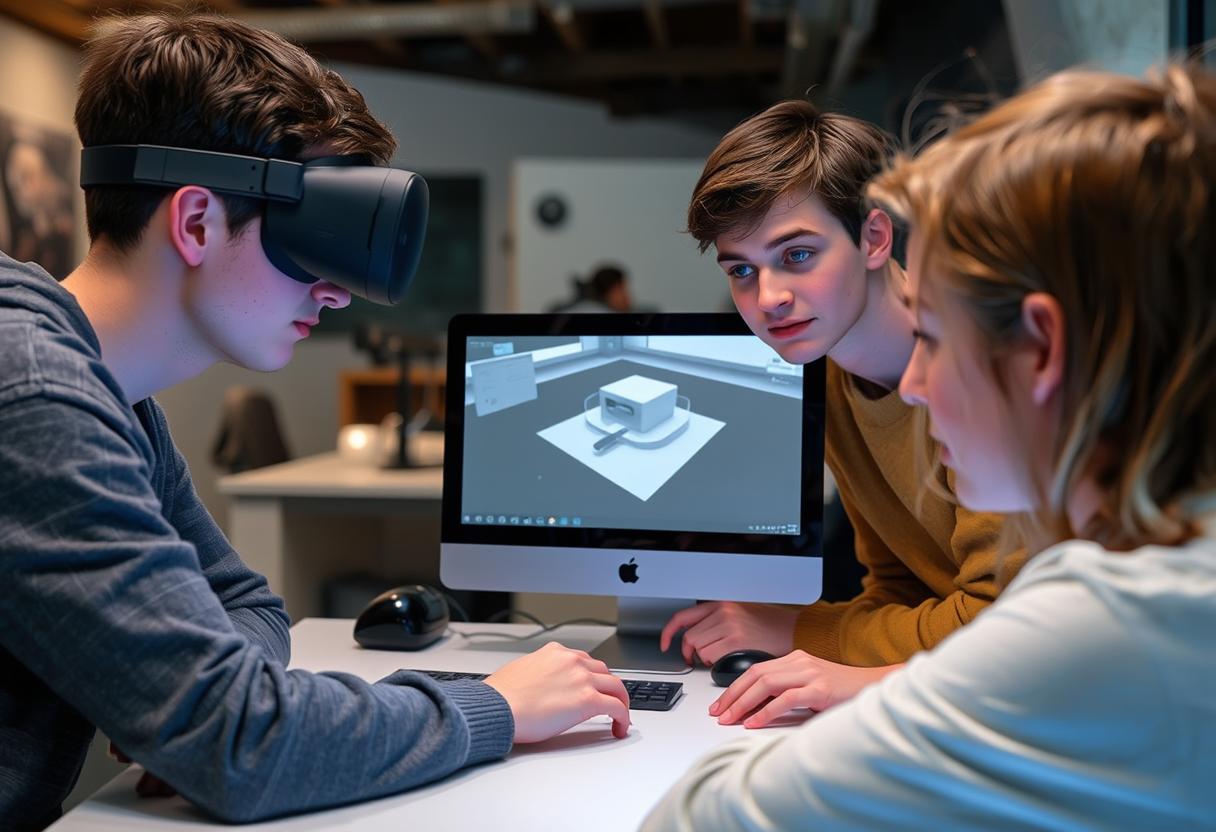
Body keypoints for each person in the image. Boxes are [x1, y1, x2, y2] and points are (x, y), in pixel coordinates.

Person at [0, 14, 629, 831]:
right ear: (195, 223)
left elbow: (247, 605)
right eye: (310, 246)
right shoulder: (37, 391)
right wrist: (493, 707)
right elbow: (241, 745)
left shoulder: (113, 397)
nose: (335, 292)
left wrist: (197, 691)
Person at [643, 62, 1216, 828]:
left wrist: (832, 653)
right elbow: (901, 589)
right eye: (743, 270)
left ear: (1043, 346)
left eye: (938, 335)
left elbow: (703, 816)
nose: (915, 381)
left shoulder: (1108, 615)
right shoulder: (1158, 572)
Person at [660, 100, 1022, 725]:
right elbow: (904, 587)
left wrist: (801, 630)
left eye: (797, 255)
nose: (768, 298)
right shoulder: (823, 371)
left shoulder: (986, 367)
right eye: (741, 270)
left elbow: (1004, 625)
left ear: (874, 238)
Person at [548, 263, 633, 312]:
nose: (628, 297)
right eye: (623, 290)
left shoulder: (569, 309)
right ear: (615, 289)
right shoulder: (597, 311)